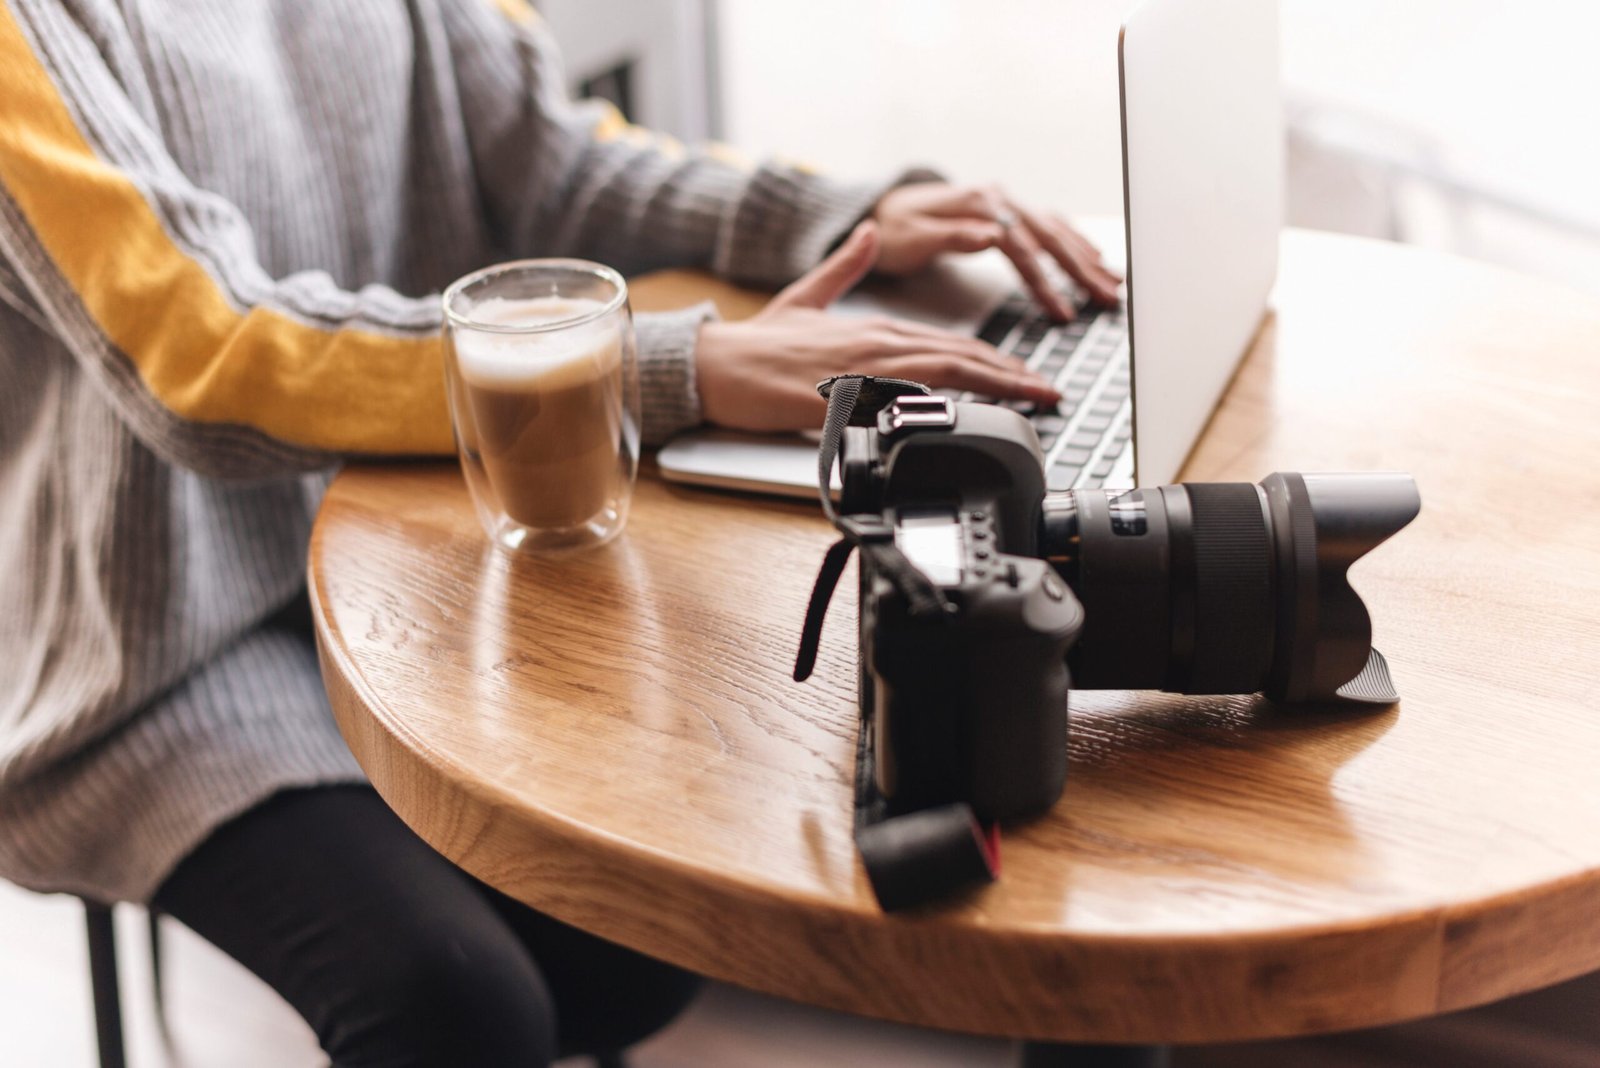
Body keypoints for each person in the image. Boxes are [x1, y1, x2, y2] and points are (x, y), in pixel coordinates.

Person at [0, 0, 1118, 1063]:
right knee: (451, 1008)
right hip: (150, 657)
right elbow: (209, 357)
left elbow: (554, 160)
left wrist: (840, 219)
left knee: (638, 934)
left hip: (409, 547)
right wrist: (671, 367)